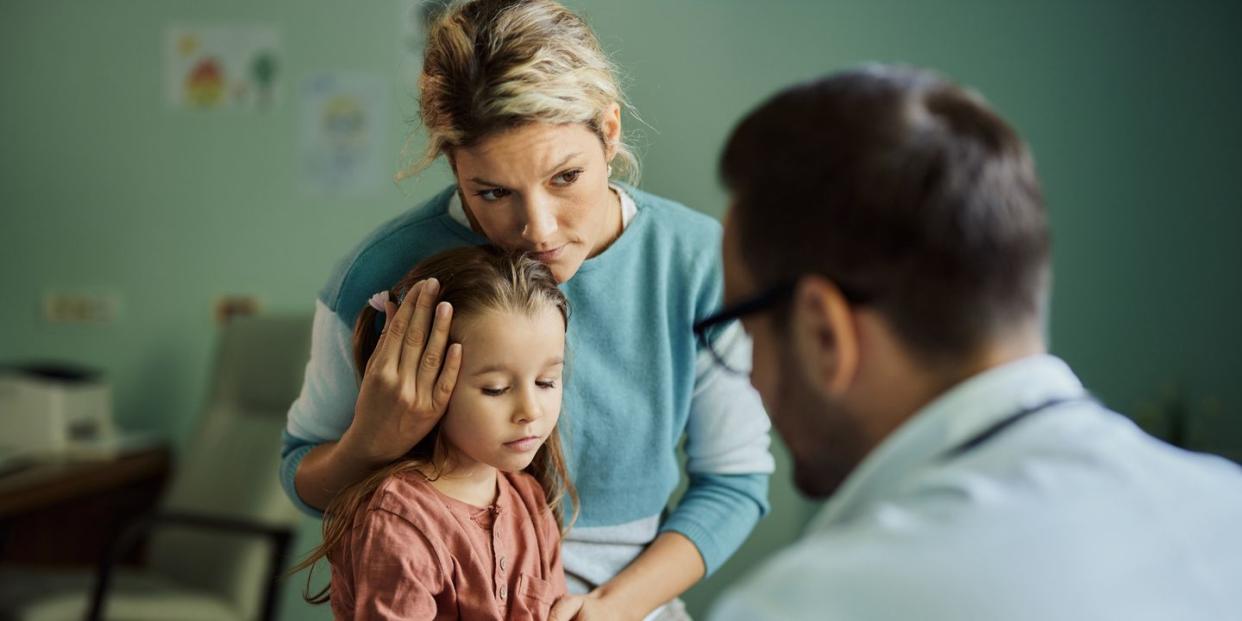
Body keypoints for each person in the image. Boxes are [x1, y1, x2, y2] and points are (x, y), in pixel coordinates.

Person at [280, 1, 774, 619]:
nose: (537, 230)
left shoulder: (701, 263)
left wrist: (610, 607)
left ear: (610, 130)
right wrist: (368, 444)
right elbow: (303, 474)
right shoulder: (379, 275)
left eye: (565, 177)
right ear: (452, 165)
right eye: (493, 192)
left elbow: (734, 482)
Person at [704, 65, 1242, 620]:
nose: (747, 374)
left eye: (745, 327)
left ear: (824, 335)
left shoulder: (806, 606)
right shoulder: (1227, 508)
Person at [290, 247, 574, 620]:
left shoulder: (530, 499)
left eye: (546, 382)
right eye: (495, 388)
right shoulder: (399, 520)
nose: (530, 411)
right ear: (426, 378)